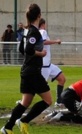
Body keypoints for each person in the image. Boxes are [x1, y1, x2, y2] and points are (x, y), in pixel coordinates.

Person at [1, 3, 52, 134]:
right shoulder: (34, 32)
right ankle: (23, 121)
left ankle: (7, 128)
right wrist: (40, 54)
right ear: (39, 16)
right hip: (33, 72)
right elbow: (29, 49)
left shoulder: (26, 30)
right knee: (48, 100)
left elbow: (21, 49)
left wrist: (32, 54)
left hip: (26, 70)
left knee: (25, 102)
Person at [39, 18, 66, 107]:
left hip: (48, 65)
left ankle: (59, 101)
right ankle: (23, 100)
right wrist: (56, 41)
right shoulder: (42, 31)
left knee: (62, 79)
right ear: (43, 24)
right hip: (44, 65)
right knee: (40, 87)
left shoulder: (39, 32)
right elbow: (44, 42)